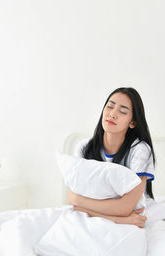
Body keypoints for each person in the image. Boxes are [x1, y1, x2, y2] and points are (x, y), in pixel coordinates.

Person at [67, 87, 156, 228]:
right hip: (124, 220)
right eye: (110, 107)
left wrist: (82, 202)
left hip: (138, 217)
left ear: (132, 123)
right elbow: (72, 199)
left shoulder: (140, 150)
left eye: (123, 111)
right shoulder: (84, 147)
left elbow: (125, 207)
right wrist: (120, 220)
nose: (113, 114)